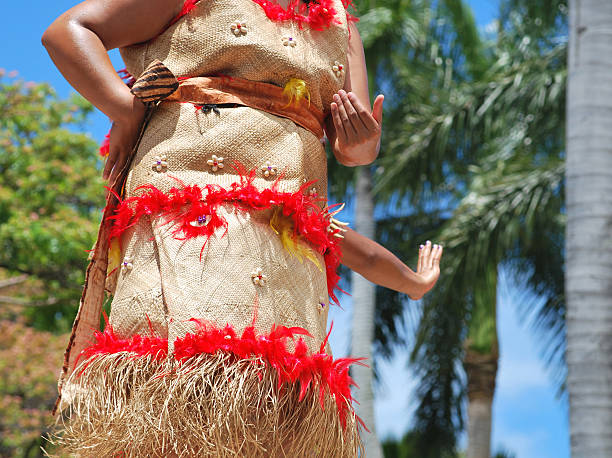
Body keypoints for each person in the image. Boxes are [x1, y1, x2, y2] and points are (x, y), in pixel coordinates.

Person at [41, 0, 443, 455]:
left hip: (291, 231)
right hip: (189, 199)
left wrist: (362, 145)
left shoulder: (337, 19)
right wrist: (125, 109)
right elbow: (68, 32)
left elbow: (354, 153)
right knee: (182, 383)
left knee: (272, 406)